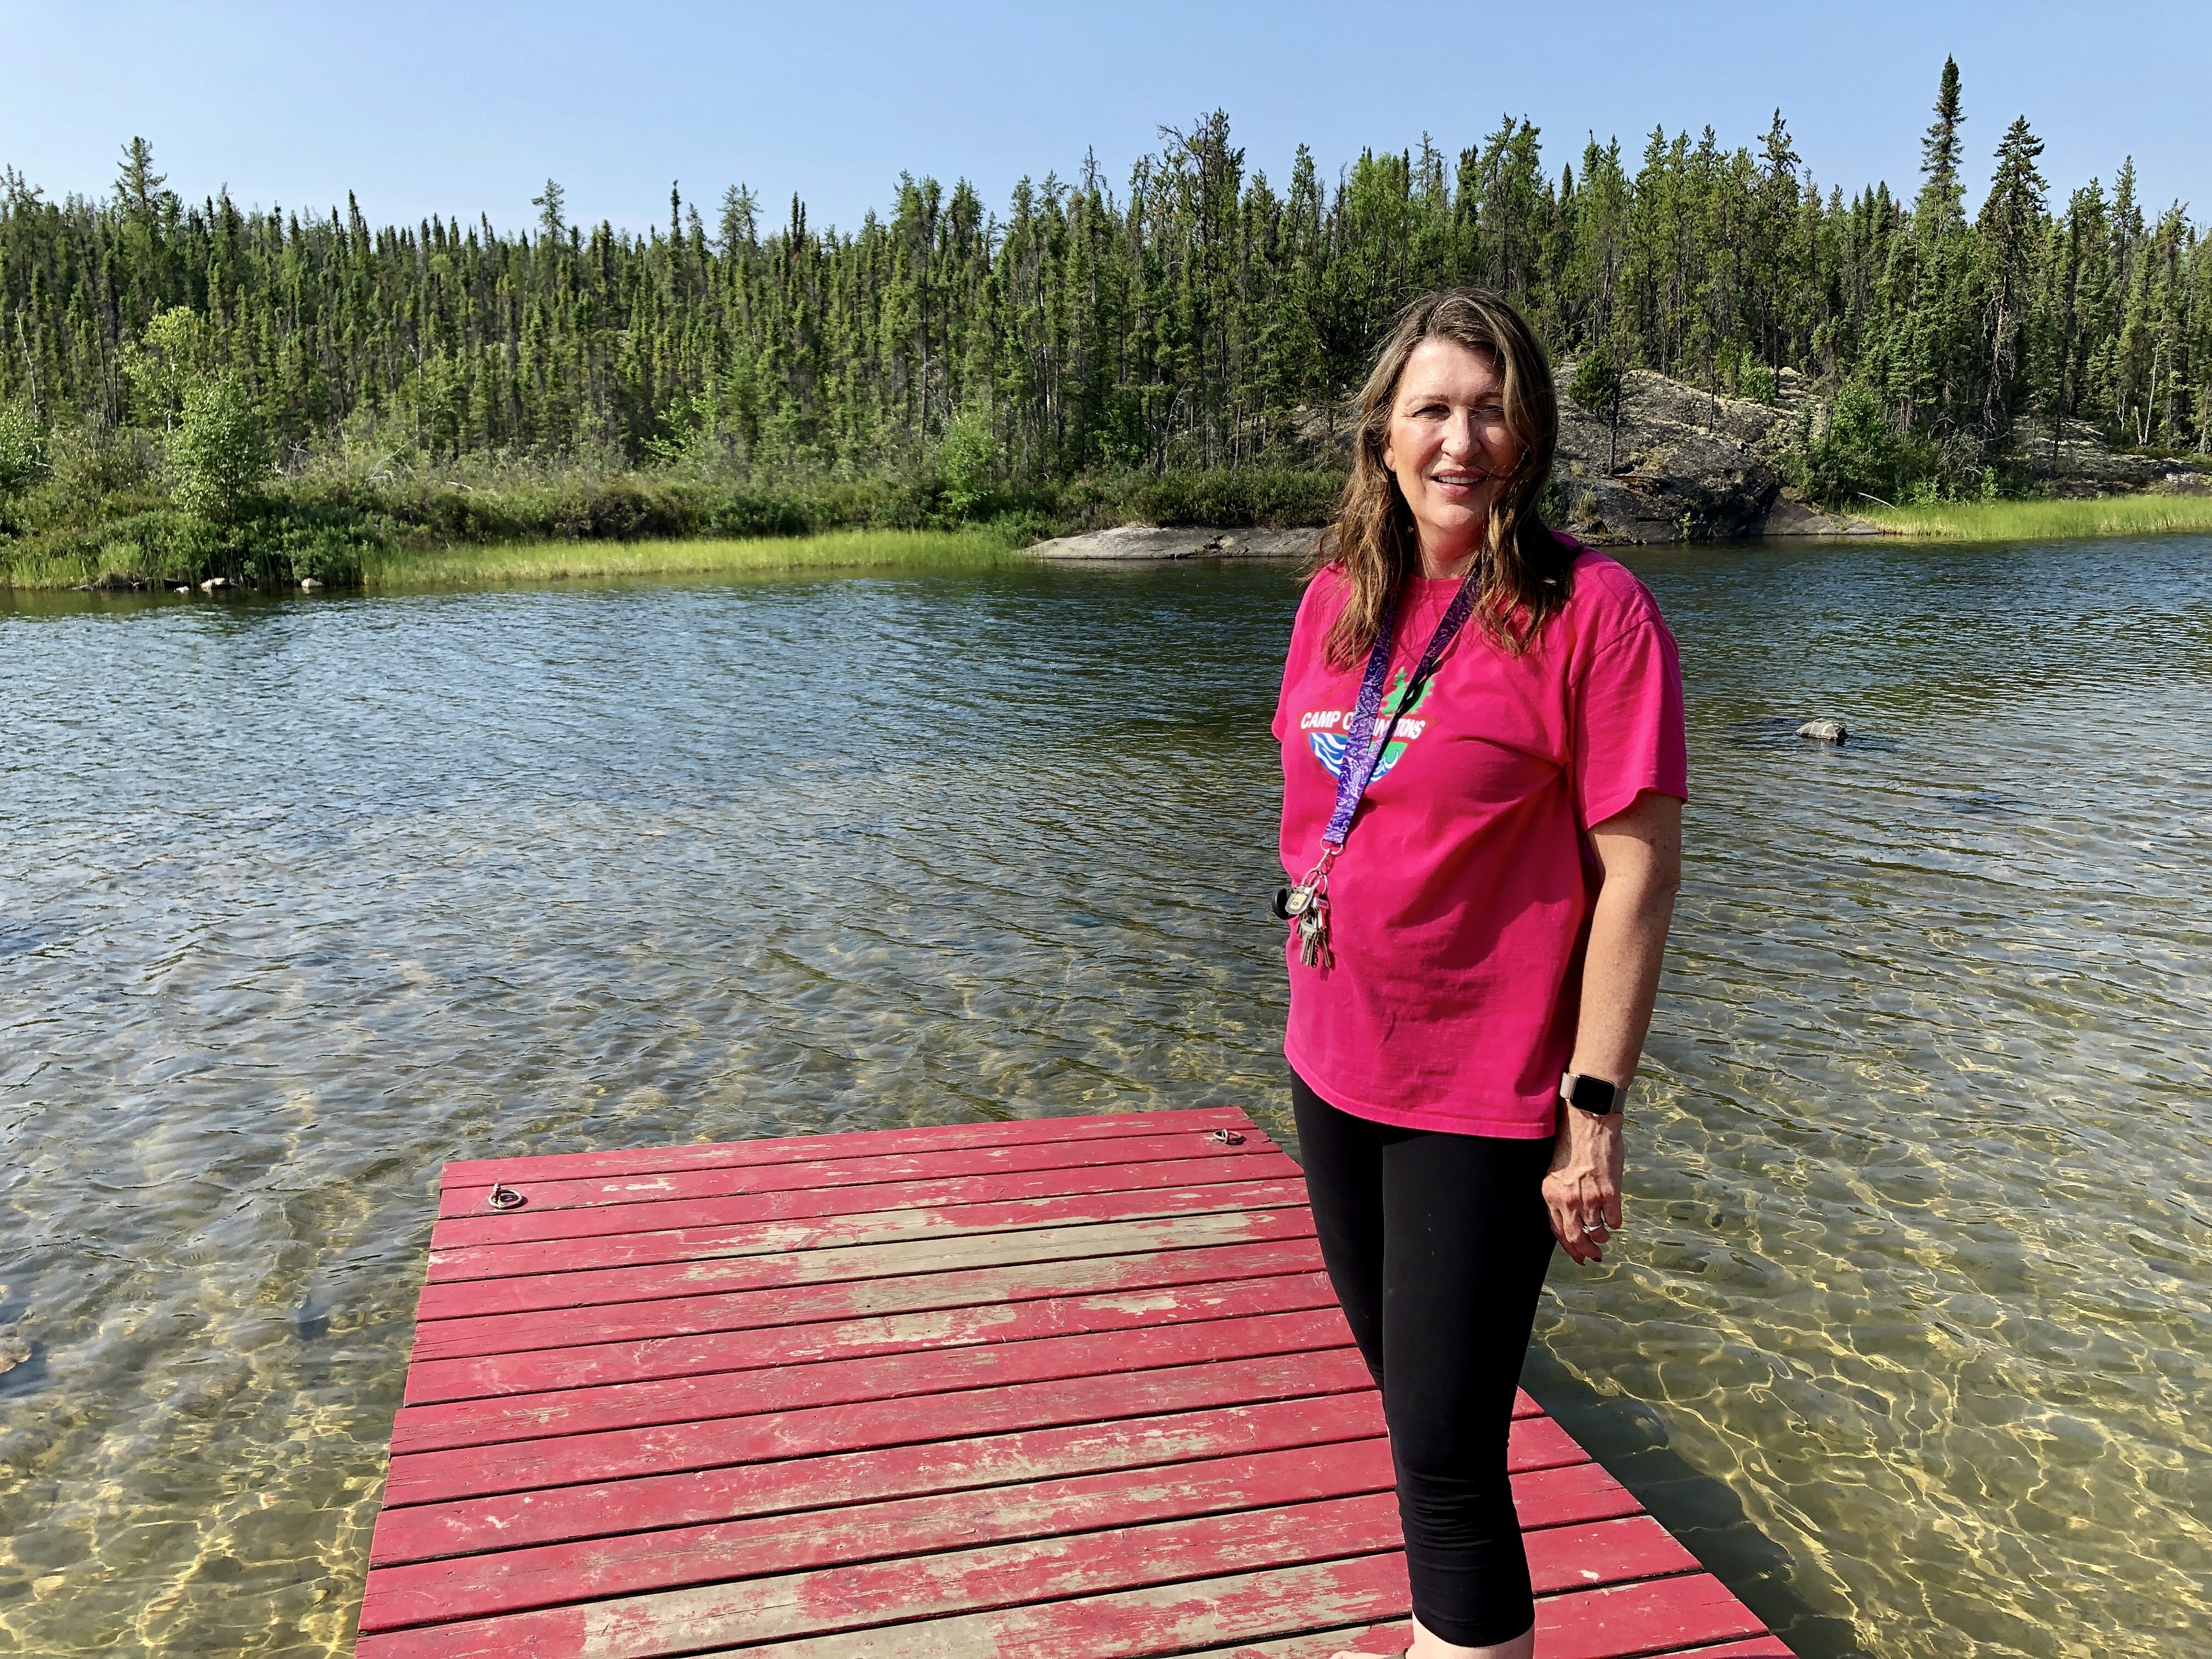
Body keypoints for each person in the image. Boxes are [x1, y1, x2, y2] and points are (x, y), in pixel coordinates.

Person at [1272, 288, 1686, 1659]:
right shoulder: (1336, 597)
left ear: (1532, 433)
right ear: (1384, 432)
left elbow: (1637, 874)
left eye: (1493, 406)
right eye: (1435, 407)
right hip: (1335, 1066)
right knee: (1413, 1420)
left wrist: (1593, 1114)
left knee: (1450, 1459)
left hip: (1486, 1091)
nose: (1463, 438)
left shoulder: (1589, 611)